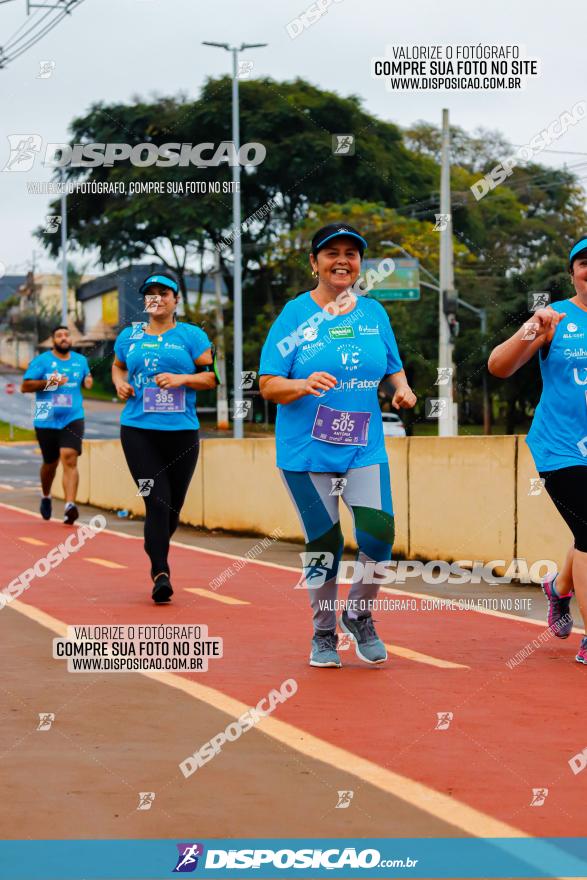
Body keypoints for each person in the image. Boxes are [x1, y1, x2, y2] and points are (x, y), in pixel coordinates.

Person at [259, 223, 417, 668]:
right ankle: (324, 633)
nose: (342, 260)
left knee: (379, 536)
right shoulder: (293, 317)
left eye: (351, 253)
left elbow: (392, 366)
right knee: (326, 542)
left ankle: (359, 613)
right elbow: (268, 384)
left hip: (363, 445)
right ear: (314, 263)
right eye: (332, 253)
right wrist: (301, 383)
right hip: (306, 452)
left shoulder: (373, 314)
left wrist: (401, 389)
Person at [488, 236, 587, 664]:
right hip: (561, 447)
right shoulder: (556, 319)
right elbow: (499, 365)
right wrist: (531, 328)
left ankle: (559, 586)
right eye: (584, 263)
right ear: (572, 273)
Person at [112, 273, 218, 604]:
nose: (157, 298)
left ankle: (156, 550)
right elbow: (117, 366)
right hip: (138, 429)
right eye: (150, 294)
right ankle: (161, 572)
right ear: (145, 301)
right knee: (155, 500)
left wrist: (182, 378)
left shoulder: (192, 336)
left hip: (181, 432)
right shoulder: (129, 337)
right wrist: (119, 383)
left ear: (175, 300)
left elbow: (211, 378)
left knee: (172, 507)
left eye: (164, 293)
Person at [21, 325, 92, 524]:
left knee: (69, 457)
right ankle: (46, 495)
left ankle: (70, 506)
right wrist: (52, 382)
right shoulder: (42, 361)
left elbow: (86, 377)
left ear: (71, 340)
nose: (63, 338)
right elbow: (25, 386)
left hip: (73, 416)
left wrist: (88, 380)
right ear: (53, 340)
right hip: (46, 417)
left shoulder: (81, 361)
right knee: (50, 463)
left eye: (66, 335)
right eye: (59, 335)